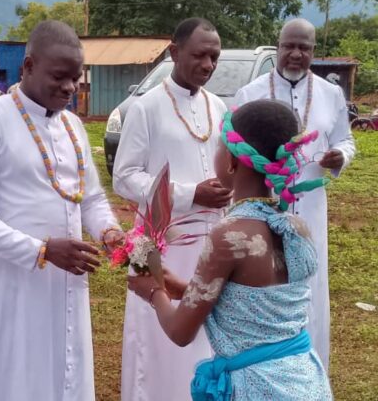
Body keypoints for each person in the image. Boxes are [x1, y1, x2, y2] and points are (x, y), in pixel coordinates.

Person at [0, 20, 122, 401]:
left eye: (76, 79)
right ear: (28, 66)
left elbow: (91, 198)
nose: (69, 88)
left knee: (67, 371)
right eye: (60, 77)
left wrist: (110, 232)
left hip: (68, 282)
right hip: (14, 283)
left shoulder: (74, 126)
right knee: (17, 377)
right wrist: (42, 250)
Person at [128, 100, 333, 400]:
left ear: (231, 162)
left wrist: (153, 291)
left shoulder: (230, 235)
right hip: (304, 381)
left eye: (219, 146)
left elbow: (181, 332)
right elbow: (257, 306)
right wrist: (184, 289)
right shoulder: (295, 227)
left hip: (260, 388)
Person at [113, 17, 229, 401]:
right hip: (160, 243)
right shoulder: (145, 108)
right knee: (158, 339)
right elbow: (124, 178)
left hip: (211, 240)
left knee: (205, 331)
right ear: (174, 52)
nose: (208, 65)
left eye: (214, 57)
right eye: (199, 55)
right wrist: (188, 194)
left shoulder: (219, 107)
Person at [234, 18, 356, 370]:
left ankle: (308, 368)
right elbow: (236, 150)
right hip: (264, 209)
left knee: (309, 286)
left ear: (313, 51)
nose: (296, 53)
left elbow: (345, 140)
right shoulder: (251, 94)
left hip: (311, 209)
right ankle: (263, 370)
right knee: (264, 282)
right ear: (277, 46)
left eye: (304, 47)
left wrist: (340, 156)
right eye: (289, 45)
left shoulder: (331, 95)